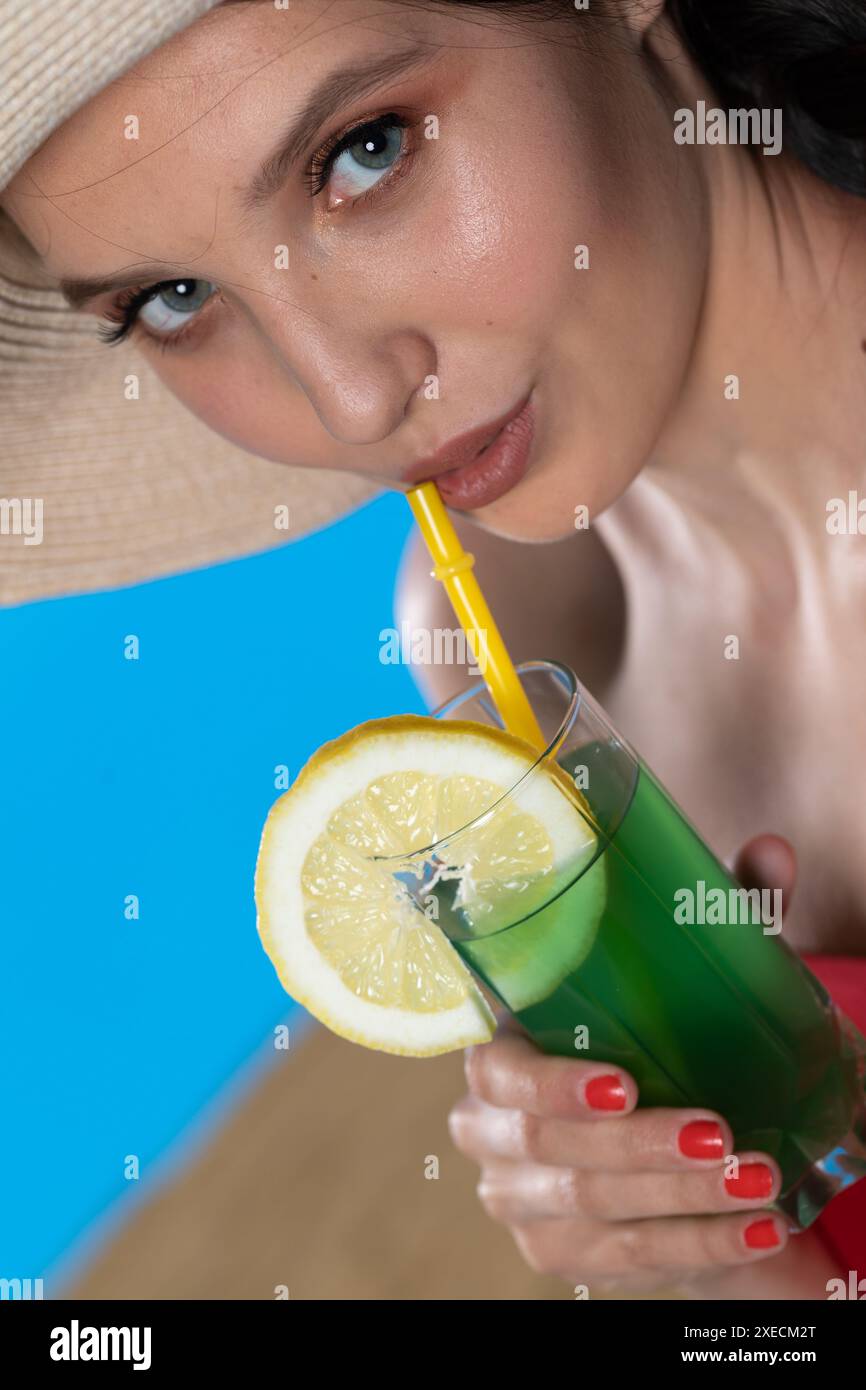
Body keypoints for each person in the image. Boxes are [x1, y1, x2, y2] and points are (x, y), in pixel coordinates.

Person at [2, 0, 864, 1298]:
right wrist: (731, 1281)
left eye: (365, 151)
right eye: (173, 298)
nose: (347, 395)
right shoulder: (498, 634)